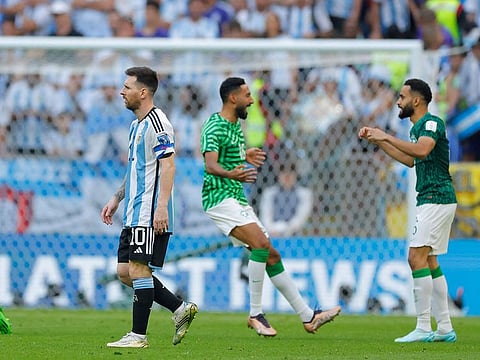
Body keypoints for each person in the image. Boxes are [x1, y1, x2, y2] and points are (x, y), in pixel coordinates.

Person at [200, 76, 341, 337]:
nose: (251, 100)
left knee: (272, 255)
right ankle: (255, 314)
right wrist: (235, 175)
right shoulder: (214, 125)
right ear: (233, 98)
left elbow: (225, 155)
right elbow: (210, 164)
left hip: (236, 198)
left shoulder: (234, 126)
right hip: (219, 198)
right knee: (261, 246)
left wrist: (244, 155)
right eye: (246, 95)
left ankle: (308, 316)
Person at [101, 66, 198, 348]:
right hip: (132, 209)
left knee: (139, 269)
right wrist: (116, 198)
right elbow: (135, 169)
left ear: (143, 92)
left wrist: (162, 207)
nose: (122, 91)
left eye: (127, 87)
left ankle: (138, 336)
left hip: (149, 209)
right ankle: (180, 309)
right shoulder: (135, 126)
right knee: (124, 272)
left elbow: (168, 165)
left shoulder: (159, 124)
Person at [358, 78, 457, 343]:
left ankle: (424, 326)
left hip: (436, 197)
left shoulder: (432, 123)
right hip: (431, 198)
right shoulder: (417, 129)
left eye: (402, 97)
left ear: (416, 100)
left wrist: (386, 135)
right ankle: (445, 328)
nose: (398, 102)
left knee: (415, 258)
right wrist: (379, 141)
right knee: (430, 260)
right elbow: (411, 160)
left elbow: (423, 151)